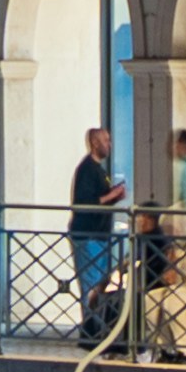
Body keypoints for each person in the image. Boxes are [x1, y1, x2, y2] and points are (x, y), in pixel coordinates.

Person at [69, 120, 119, 328]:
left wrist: (112, 196)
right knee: (91, 283)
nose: (110, 145)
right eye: (105, 141)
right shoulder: (87, 169)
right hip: (88, 235)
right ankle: (91, 328)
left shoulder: (99, 170)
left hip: (99, 235)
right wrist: (112, 195)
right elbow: (85, 203)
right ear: (94, 143)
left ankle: (99, 326)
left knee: (101, 282)